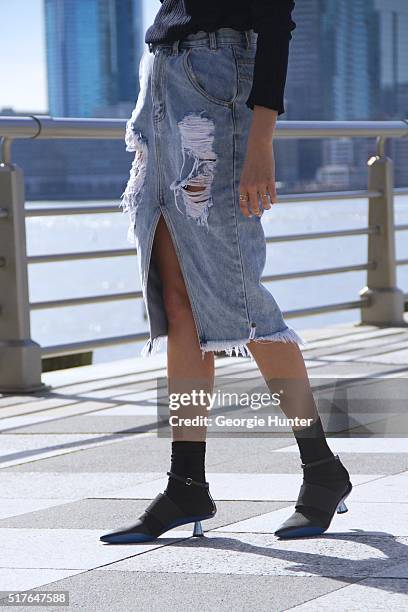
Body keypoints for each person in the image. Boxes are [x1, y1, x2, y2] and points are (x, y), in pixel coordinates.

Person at [100, 0, 352, 544]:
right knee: (179, 300)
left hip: (217, 86)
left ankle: (321, 468)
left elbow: (276, 20)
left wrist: (261, 138)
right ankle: (186, 481)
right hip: (163, 83)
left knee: (242, 302)